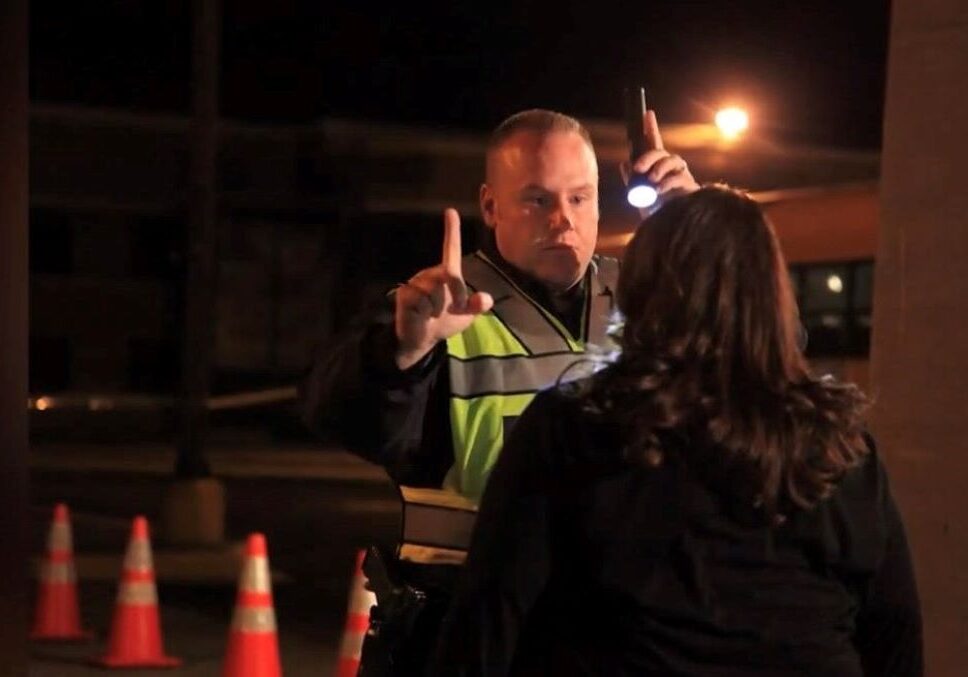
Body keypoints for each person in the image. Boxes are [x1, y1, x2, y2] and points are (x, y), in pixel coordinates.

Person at [430, 185, 923, 676]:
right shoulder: (841, 450)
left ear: (641, 289)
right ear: (775, 297)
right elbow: (895, 634)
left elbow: (488, 623)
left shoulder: (575, 427)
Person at [298, 107, 698, 673]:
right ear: (490, 205)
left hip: (619, 633)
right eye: (538, 199)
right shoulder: (435, 307)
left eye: (580, 198)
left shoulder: (653, 297)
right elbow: (337, 415)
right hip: (468, 633)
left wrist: (701, 233)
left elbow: (768, 357)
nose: (563, 220)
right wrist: (403, 354)